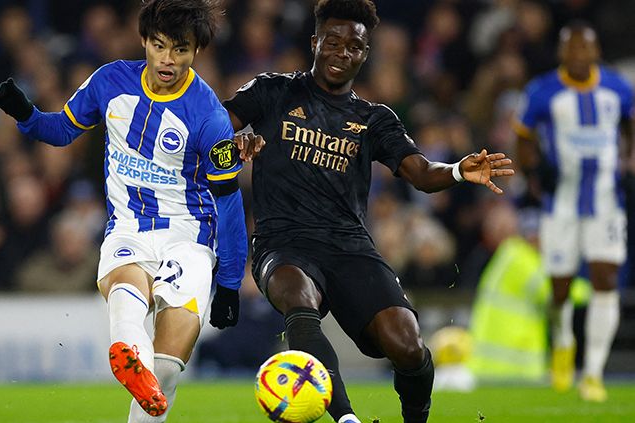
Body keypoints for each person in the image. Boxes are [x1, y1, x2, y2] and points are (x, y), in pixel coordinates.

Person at [217, 1, 514, 422]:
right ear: (315, 42)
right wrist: (236, 147)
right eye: (333, 42)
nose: (342, 53)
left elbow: (421, 173)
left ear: (365, 53)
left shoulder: (374, 118)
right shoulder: (272, 91)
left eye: (353, 46)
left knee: (407, 344)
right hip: (282, 244)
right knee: (298, 301)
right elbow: (213, 134)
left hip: (349, 246)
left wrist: (458, 171)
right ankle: (347, 419)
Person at [0, 1, 253, 421]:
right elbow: (61, 130)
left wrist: (231, 281)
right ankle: (128, 349)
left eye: (180, 49)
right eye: (159, 45)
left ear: (196, 51)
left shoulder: (210, 118)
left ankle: (138, 359)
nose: (168, 59)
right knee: (128, 288)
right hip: (128, 228)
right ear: (144, 40)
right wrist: (24, 111)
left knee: (164, 374)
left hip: (189, 239)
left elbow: (229, 200)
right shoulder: (110, 81)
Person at [514, 21, 633, 402]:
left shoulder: (617, 87)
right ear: (562, 53)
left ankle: (593, 372)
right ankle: (563, 340)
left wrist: (628, 162)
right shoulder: (543, 91)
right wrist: (533, 171)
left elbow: (630, 125)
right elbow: (522, 135)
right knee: (560, 287)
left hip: (606, 202)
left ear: (596, 52)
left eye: (585, 48)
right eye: (572, 48)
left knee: (605, 278)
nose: (579, 55)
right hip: (561, 202)